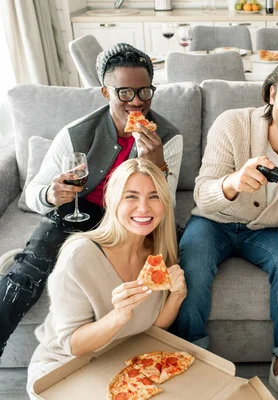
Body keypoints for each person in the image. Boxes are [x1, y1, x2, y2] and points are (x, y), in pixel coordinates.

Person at [0, 43, 183, 357]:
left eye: (144, 92)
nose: (136, 102)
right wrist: (51, 193)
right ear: (105, 92)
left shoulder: (168, 137)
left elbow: (163, 205)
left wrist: (156, 164)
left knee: (176, 264)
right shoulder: (76, 134)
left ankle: (155, 356)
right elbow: (33, 192)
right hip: (81, 212)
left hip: (134, 220)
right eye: (124, 92)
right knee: (31, 268)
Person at [172, 53, 278, 400]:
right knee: (193, 262)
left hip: (269, 231)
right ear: (272, 94)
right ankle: (195, 357)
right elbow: (201, 193)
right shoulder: (231, 124)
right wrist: (231, 183)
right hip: (214, 221)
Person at [26, 158, 187, 397]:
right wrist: (119, 316)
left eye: (154, 196)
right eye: (131, 196)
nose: (144, 208)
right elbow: (74, 345)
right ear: (112, 202)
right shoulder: (79, 255)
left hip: (119, 364)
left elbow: (152, 326)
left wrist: (176, 296)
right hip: (63, 368)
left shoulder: (160, 254)